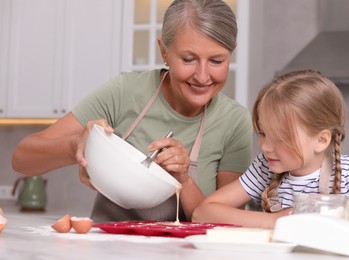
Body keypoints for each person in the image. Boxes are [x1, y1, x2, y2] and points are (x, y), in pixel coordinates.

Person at [11, 0, 252, 223]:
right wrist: (77, 145)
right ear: (164, 51)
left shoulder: (234, 122)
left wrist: (184, 180)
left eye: (217, 61)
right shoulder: (124, 92)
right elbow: (22, 159)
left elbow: (229, 225)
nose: (202, 76)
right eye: (188, 59)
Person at [192, 70, 349, 228]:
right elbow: (202, 213)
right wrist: (273, 220)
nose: (265, 147)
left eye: (280, 139)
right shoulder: (264, 168)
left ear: (321, 140)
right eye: (263, 133)